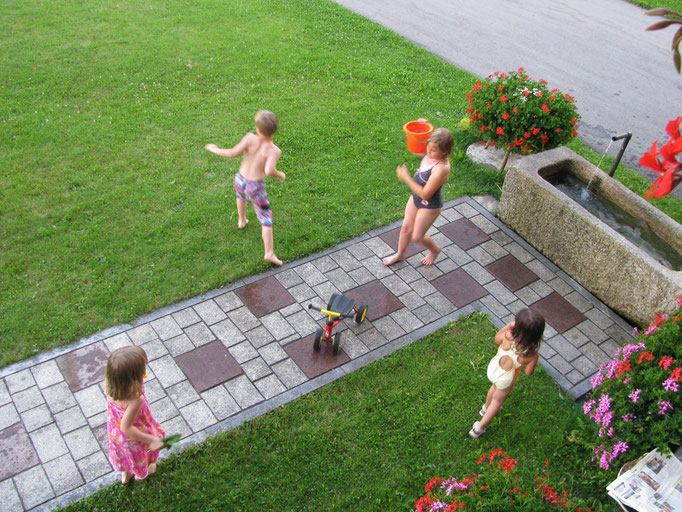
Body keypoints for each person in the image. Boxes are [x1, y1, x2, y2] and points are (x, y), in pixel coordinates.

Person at [205, 110, 286, 266]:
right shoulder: (274, 150)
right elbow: (269, 170)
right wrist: (280, 174)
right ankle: (269, 253)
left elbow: (233, 153)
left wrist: (215, 149)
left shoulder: (250, 139)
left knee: (240, 197)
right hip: (255, 187)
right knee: (265, 217)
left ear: (258, 129)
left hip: (240, 180)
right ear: (275, 130)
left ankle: (242, 220)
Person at [382, 127, 454, 267]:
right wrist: (415, 133)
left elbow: (425, 194)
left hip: (429, 205)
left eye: (433, 150)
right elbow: (421, 149)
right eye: (428, 146)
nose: (428, 151)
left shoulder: (441, 169)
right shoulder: (431, 154)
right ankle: (400, 254)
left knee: (417, 236)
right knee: (406, 228)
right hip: (416, 198)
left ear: (445, 152)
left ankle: (434, 250)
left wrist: (407, 178)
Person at [469, 308, 545, 438]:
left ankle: (485, 409)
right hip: (506, 380)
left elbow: (496, 339)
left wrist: (509, 326)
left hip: (494, 368)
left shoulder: (508, 336)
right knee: (497, 401)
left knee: (493, 388)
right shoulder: (533, 353)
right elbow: (529, 372)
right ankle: (478, 429)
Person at [105, 346, 165, 483]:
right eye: (142, 371)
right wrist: (151, 440)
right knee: (139, 454)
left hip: (115, 433)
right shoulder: (135, 399)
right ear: (132, 379)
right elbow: (126, 427)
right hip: (133, 434)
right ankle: (141, 473)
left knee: (125, 454)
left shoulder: (110, 385)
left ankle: (126, 476)